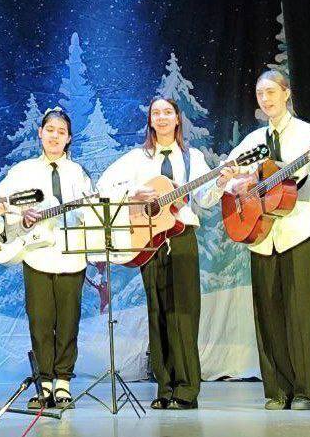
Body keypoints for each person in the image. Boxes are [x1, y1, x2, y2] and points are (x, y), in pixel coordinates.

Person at [207, 70, 310, 411]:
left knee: (302, 313)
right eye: (260, 94)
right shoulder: (252, 140)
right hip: (262, 234)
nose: (266, 99)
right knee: (268, 315)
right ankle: (277, 390)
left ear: (286, 93)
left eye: (271, 92)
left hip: (300, 230)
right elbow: (225, 182)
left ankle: (306, 391)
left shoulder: (307, 133)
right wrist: (234, 183)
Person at [97, 97, 216, 409]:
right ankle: (164, 387)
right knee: (157, 311)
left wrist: (221, 182)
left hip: (181, 236)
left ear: (177, 119)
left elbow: (205, 198)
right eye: (156, 113)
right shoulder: (136, 158)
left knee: (184, 312)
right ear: (150, 120)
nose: (162, 118)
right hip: (149, 239)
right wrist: (132, 193)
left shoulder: (192, 158)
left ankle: (186, 389)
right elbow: (104, 185)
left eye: (168, 112)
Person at [0, 108, 92, 410]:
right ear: (40, 134)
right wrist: (21, 217)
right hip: (36, 254)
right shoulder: (23, 171)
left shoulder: (78, 173)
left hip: (73, 254)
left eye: (61, 132)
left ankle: (63, 382)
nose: (55, 136)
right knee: (41, 320)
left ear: (69, 138)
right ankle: (44, 382)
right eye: (50, 130)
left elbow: (90, 211)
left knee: (68, 321)